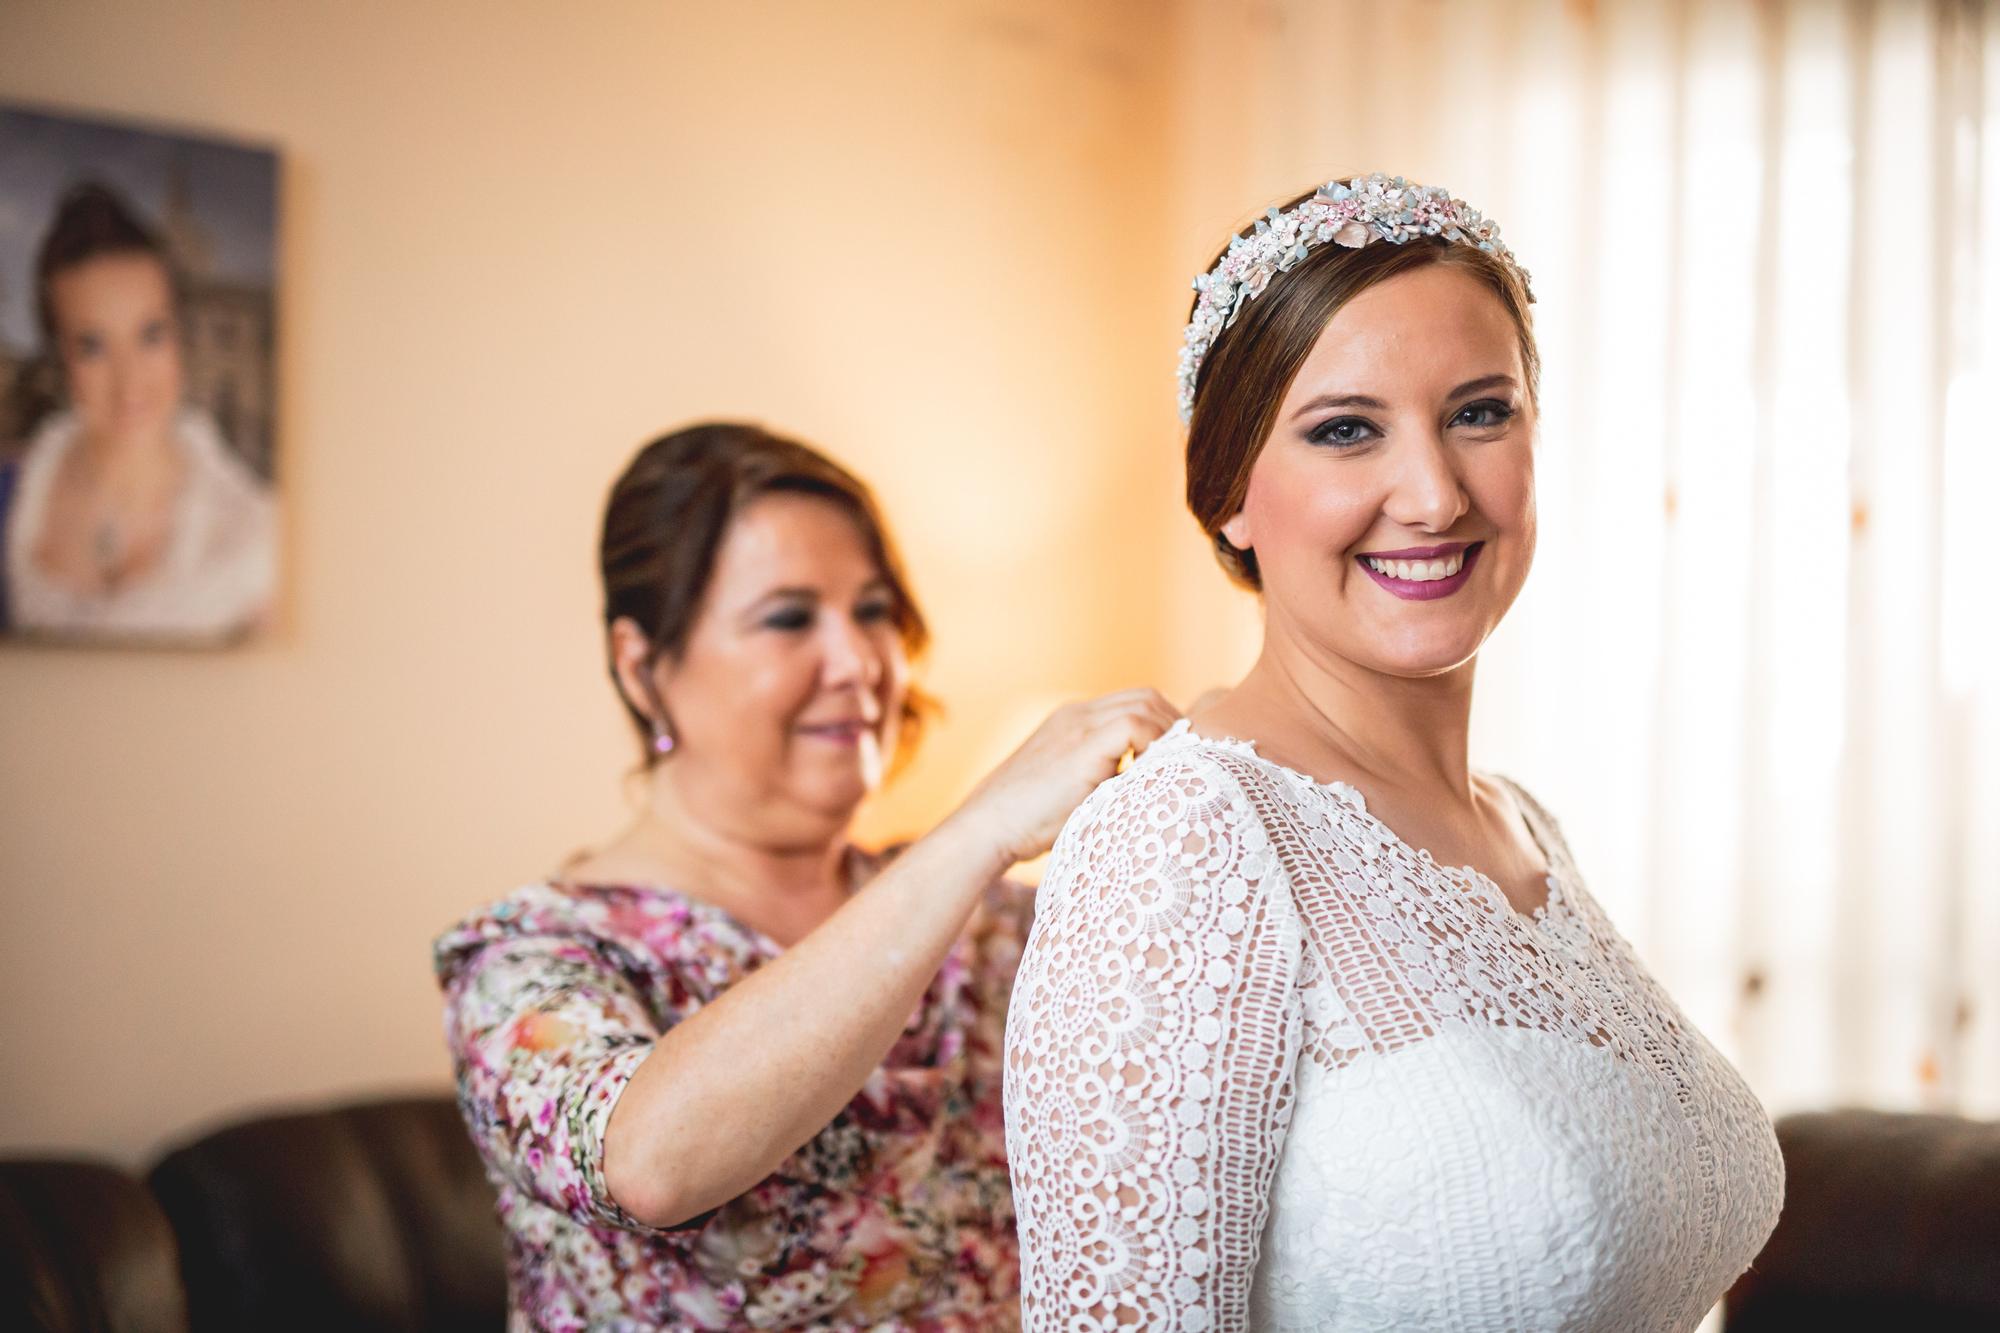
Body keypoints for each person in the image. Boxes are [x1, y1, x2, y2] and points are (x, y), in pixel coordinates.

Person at [1003, 174, 1785, 1331]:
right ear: (1226, 492)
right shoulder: (1182, 844)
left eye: (1479, 412)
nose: (1430, 493)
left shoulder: (1523, 827)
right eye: (1345, 431)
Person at [435, 422, 1177, 1330]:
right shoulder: (528, 958)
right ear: (643, 667)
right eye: (789, 618)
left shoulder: (996, 926)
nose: (860, 662)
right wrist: (978, 826)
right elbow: (647, 1165)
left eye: (872, 611)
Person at [0, 182, 273, 641]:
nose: (129, 384)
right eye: (92, 346)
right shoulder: (12, 499)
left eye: (150, 335)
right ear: (61, 359)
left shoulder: (251, 538)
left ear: (179, 340)